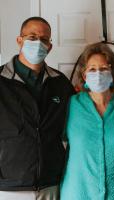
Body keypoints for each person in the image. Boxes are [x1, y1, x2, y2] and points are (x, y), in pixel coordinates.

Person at [0, 17, 75, 200]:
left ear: (50, 46)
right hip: (9, 187)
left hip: (51, 185)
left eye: (44, 39)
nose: (38, 43)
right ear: (19, 40)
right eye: (32, 37)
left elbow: (72, 129)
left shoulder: (61, 83)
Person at [60, 42, 114, 200]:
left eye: (104, 68)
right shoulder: (72, 105)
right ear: (85, 76)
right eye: (92, 69)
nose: (98, 74)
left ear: (113, 74)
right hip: (77, 193)